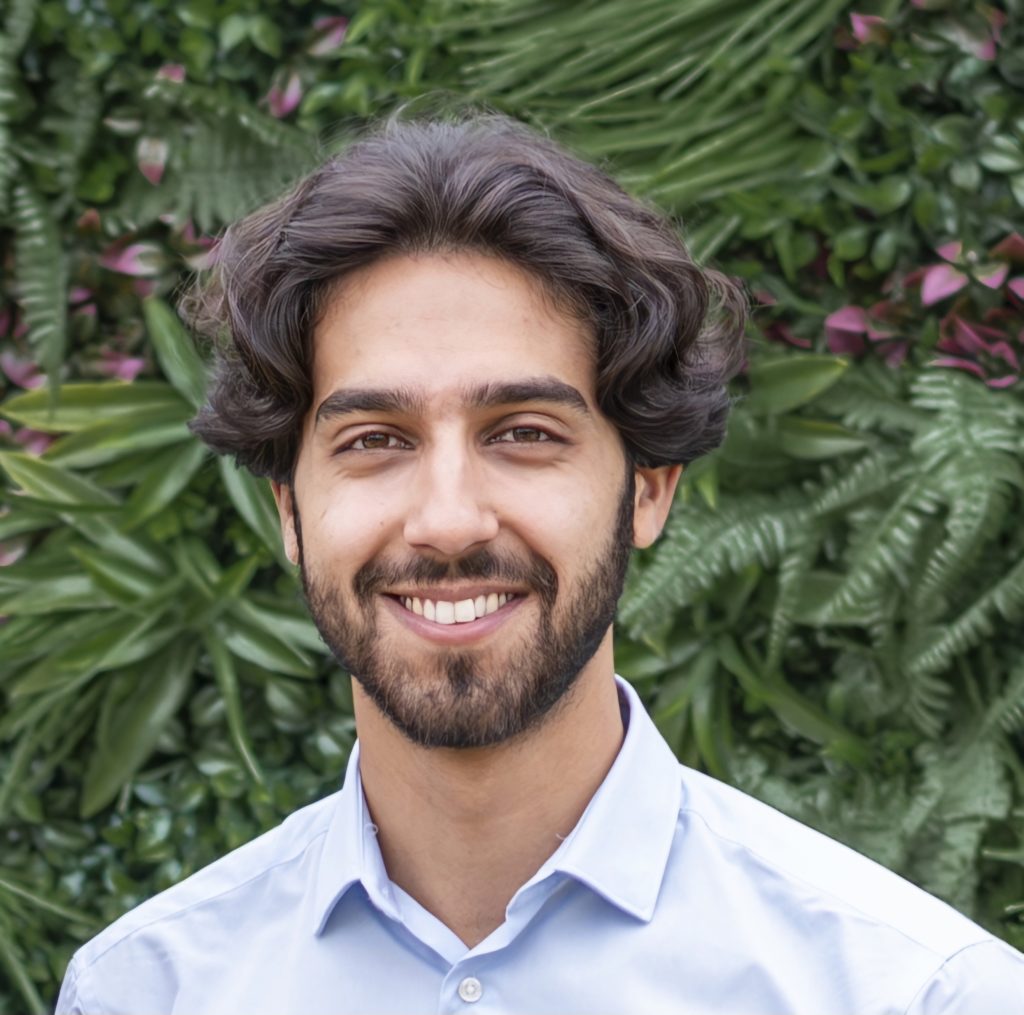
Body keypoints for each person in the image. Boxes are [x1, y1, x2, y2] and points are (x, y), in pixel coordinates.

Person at [57, 113, 1024, 1014]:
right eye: (375, 439)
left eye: (523, 432)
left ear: (648, 489)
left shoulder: (912, 992)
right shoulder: (142, 991)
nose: (447, 521)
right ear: (291, 513)